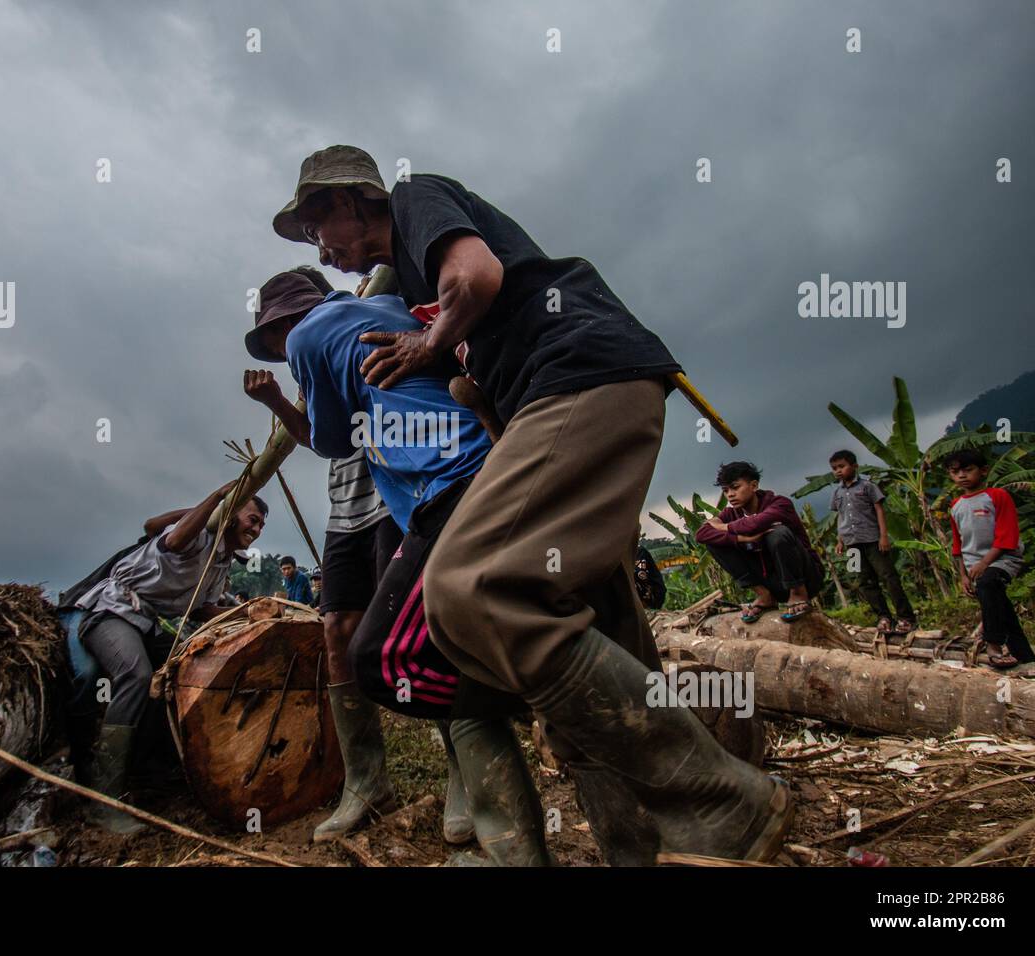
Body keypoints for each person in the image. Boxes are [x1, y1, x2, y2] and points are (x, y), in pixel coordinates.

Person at [272, 145, 791, 864]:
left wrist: (428, 343)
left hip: (581, 379)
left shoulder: (415, 197)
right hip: (569, 400)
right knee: (598, 648)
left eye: (315, 230)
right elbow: (477, 380)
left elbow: (477, 277)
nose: (321, 251)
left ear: (349, 202)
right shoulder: (412, 281)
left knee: (470, 588)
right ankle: (637, 850)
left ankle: (722, 800)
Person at [244, 268, 550, 865]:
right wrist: (279, 400)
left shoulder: (351, 325)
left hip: (405, 497)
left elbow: (330, 437)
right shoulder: (342, 342)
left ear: (287, 325)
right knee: (340, 631)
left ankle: (469, 775)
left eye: (277, 340)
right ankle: (367, 780)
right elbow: (326, 438)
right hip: (349, 507)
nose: (281, 353)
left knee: (424, 632)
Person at [71, 484, 267, 832]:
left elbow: (205, 609)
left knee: (183, 672)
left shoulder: (221, 561)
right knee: (136, 676)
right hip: (113, 611)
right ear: (231, 513)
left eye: (261, 525)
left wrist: (253, 613)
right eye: (252, 519)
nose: (256, 529)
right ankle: (104, 798)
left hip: (146, 623)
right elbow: (171, 541)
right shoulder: (197, 537)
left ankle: (154, 769)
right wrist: (220, 496)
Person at [695, 461, 825, 623]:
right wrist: (741, 538)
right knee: (714, 542)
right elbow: (701, 534)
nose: (730, 494)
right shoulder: (731, 513)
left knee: (777, 533)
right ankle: (764, 595)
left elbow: (754, 524)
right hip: (770, 582)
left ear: (754, 485)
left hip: (806, 578)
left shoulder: (779, 504)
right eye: (726, 490)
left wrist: (724, 527)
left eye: (735, 487)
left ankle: (798, 593)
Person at [945, 449, 1035, 669]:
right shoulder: (955, 505)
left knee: (988, 584)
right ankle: (1025, 656)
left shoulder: (997, 496)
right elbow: (958, 544)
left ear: (983, 471)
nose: (962, 476)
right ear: (950, 475)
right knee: (1000, 607)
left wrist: (985, 563)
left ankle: (993, 644)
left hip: (1003, 559)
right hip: (973, 566)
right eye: (956, 472)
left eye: (968, 470)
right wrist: (963, 575)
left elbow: (1008, 537)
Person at [828, 450, 916, 634]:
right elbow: (840, 517)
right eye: (834, 468)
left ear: (854, 466)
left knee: (888, 577)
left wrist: (883, 536)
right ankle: (883, 617)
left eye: (842, 466)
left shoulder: (867, 487)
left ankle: (905, 617)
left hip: (872, 540)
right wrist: (839, 540)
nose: (838, 471)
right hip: (851, 543)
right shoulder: (837, 493)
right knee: (863, 581)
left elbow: (879, 511)